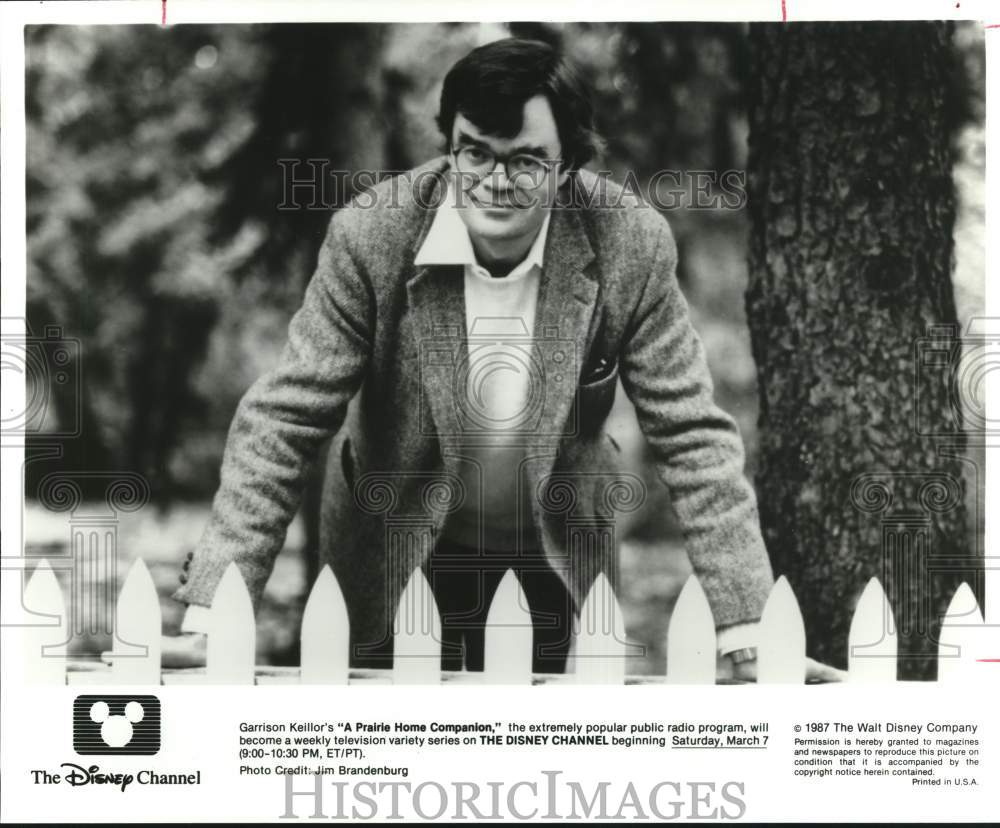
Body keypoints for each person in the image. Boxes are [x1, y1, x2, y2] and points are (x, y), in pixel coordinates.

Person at [166, 37, 843, 681]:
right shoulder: (371, 235)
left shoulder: (632, 245)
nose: (495, 181)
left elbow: (692, 434)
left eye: (525, 161)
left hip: (547, 548)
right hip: (390, 539)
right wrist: (212, 613)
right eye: (475, 153)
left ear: (569, 162)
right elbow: (282, 418)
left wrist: (746, 628)